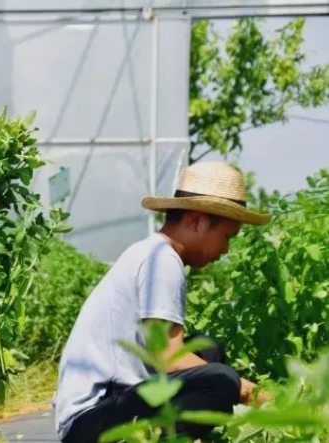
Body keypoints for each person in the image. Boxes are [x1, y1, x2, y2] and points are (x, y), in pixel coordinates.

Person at [54, 161, 272, 443]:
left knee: (208, 350)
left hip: (107, 410)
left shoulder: (154, 252)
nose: (226, 249)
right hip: (90, 424)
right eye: (226, 236)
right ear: (196, 221)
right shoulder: (162, 261)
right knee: (221, 382)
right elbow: (169, 359)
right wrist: (258, 396)